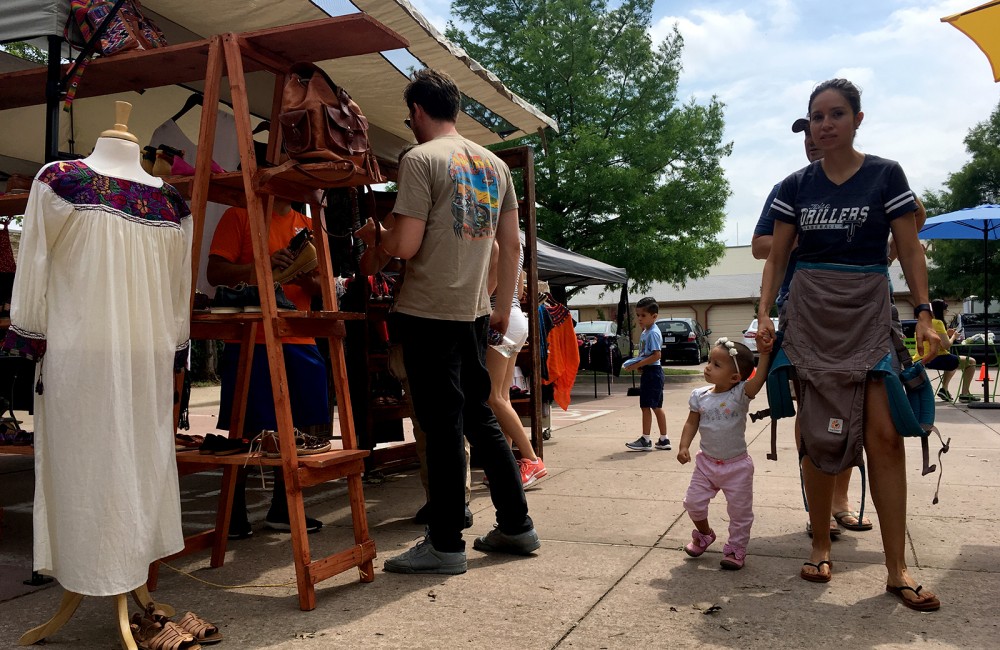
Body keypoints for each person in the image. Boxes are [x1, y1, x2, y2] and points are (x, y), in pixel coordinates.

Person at [758, 78, 940, 610]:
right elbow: (774, 256)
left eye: (836, 114)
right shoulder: (795, 185)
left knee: (884, 433)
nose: (825, 124)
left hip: (867, 308)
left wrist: (924, 315)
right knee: (817, 431)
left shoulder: (887, 174)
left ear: (858, 118)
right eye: (817, 116)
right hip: (811, 311)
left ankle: (897, 568)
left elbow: (910, 249)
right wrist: (765, 315)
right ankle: (818, 543)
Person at [359, 68, 538, 575]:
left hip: (427, 310)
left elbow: (406, 245)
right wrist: (503, 303)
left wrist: (379, 237)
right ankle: (516, 525)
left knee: (439, 429)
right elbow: (514, 245)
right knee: (480, 417)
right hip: (475, 312)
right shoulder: (493, 164)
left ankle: (445, 544)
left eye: (408, 116)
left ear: (417, 111)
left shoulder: (419, 159)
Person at [2, 119, 191, 596]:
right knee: (85, 467)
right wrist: (30, 335)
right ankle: (98, 575)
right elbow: (34, 266)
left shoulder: (173, 202)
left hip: (141, 362)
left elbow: (177, 290)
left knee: (137, 463)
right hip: (79, 358)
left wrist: (175, 345)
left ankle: (128, 576)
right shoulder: (58, 180)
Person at [751, 117, 873, 537]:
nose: (814, 138)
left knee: (855, 408)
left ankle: (840, 501)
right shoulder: (792, 187)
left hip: (860, 310)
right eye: (808, 131)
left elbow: (914, 217)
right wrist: (815, 231)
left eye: (827, 121)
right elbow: (760, 246)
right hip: (802, 309)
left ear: (853, 125)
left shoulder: (873, 179)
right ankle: (818, 510)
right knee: (814, 413)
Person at [207, 198, 330, 538]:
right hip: (253, 338)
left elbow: (323, 289)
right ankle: (232, 513)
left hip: (299, 338)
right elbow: (214, 273)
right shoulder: (239, 214)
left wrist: (304, 277)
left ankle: (284, 508)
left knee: (301, 432)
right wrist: (260, 266)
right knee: (247, 429)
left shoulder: (308, 224)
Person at [677, 338, 770, 570]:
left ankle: (736, 548)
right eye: (709, 361)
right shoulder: (699, 395)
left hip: (736, 467)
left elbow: (758, 380)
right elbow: (691, 423)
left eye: (717, 365)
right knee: (692, 503)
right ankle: (705, 534)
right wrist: (683, 446)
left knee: (740, 513)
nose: (708, 367)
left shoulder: (740, 394)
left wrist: (765, 353)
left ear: (735, 378)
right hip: (706, 464)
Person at [486, 239, 547, 486]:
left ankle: (531, 460)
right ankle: (506, 465)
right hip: (516, 321)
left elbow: (488, 286)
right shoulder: (516, 243)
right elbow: (519, 290)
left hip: (500, 321)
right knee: (503, 398)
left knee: (494, 398)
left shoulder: (490, 239)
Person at [623, 297, 670, 451]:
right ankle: (663, 440)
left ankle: (646, 439)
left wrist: (637, 364)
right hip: (650, 371)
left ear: (654, 316)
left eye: (643, 315)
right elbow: (647, 354)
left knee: (647, 406)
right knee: (655, 406)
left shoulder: (653, 333)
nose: (639, 319)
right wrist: (640, 365)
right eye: (638, 315)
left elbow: (657, 355)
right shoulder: (645, 332)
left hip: (653, 373)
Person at [917, 298, 977, 403]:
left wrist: (946, 334)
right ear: (942, 310)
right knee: (971, 362)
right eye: (946, 310)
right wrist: (954, 336)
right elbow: (946, 345)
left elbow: (936, 339)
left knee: (954, 361)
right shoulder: (938, 322)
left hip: (920, 358)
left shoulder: (923, 322)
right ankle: (965, 393)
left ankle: (944, 389)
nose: (946, 312)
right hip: (935, 357)